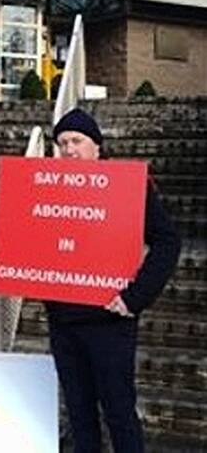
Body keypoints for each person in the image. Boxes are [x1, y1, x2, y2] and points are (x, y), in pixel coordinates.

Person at [48, 108, 181, 453]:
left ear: (97, 145)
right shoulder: (50, 190)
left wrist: (135, 298)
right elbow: (38, 245)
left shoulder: (127, 185)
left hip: (110, 319)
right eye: (62, 144)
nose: (69, 150)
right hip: (64, 322)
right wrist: (11, 270)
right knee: (79, 414)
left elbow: (167, 241)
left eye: (77, 141)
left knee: (119, 413)